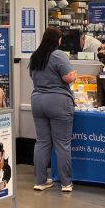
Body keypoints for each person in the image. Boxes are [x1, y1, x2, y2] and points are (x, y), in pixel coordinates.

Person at [29, 26, 77, 193]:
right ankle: (65, 183)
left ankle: (40, 181)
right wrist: (75, 74)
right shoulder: (58, 55)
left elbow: (33, 77)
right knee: (62, 144)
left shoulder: (36, 56)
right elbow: (68, 77)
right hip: (58, 102)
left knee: (42, 142)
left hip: (37, 101)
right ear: (57, 40)